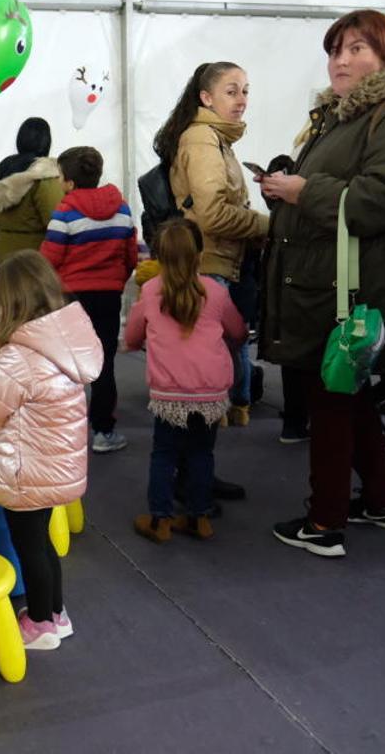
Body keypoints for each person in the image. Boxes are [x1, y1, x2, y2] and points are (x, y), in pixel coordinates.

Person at [259, 9, 385, 558]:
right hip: (333, 279)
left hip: (354, 284)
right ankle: (382, 503)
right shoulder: (350, 115)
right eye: (335, 50)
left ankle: (325, 522)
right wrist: (289, 190)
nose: (340, 60)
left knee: (333, 399)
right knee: (348, 391)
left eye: (357, 48)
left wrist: (302, 191)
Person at [0, 251, 103, 649]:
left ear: (11, 307)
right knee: (42, 543)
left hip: (26, 470)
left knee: (29, 546)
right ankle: (55, 613)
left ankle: (40, 623)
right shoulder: (60, 344)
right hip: (54, 466)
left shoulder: (18, 357)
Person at [153, 61, 266, 427]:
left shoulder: (216, 138)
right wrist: (267, 225)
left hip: (222, 259)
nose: (242, 100)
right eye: (231, 92)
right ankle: (221, 409)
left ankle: (226, 407)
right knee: (221, 343)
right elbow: (213, 215)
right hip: (212, 261)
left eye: (245, 91)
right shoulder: (203, 139)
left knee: (226, 341)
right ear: (206, 97)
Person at [126, 222, 246, 542]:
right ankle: (198, 518)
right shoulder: (216, 291)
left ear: (158, 258)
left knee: (164, 454)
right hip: (210, 390)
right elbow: (238, 331)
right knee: (201, 453)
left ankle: (160, 520)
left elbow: (132, 337)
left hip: (169, 392)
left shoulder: (151, 291)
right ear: (199, 255)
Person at [40, 146, 137, 453]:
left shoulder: (65, 212)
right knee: (104, 364)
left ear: (69, 181)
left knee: (66, 363)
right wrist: (116, 281)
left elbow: (49, 258)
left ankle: (62, 431)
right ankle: (104, 432)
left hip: (72, 298)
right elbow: (130, 256)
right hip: (109, 296)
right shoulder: (122, 209)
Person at [0, 117, 64, 263]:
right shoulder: (44, 175)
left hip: (2, 253)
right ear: (46, 142)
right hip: (34, 258)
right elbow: (56, 223)